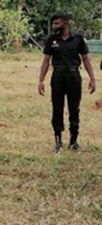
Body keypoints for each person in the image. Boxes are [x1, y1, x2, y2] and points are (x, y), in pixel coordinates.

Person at [38, 11, 96, 152]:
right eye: (53, 23)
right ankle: (58, 141)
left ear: (65, 23)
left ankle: (73, 141)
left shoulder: (78, 39)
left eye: (56, 23)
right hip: (58, 76)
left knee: (74, 109)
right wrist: (41, 80)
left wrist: (92, 78)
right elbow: (46, 61)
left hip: (73, 75)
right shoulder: (51, 40)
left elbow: (86, 59)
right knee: (57, 109)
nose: (53, 26)